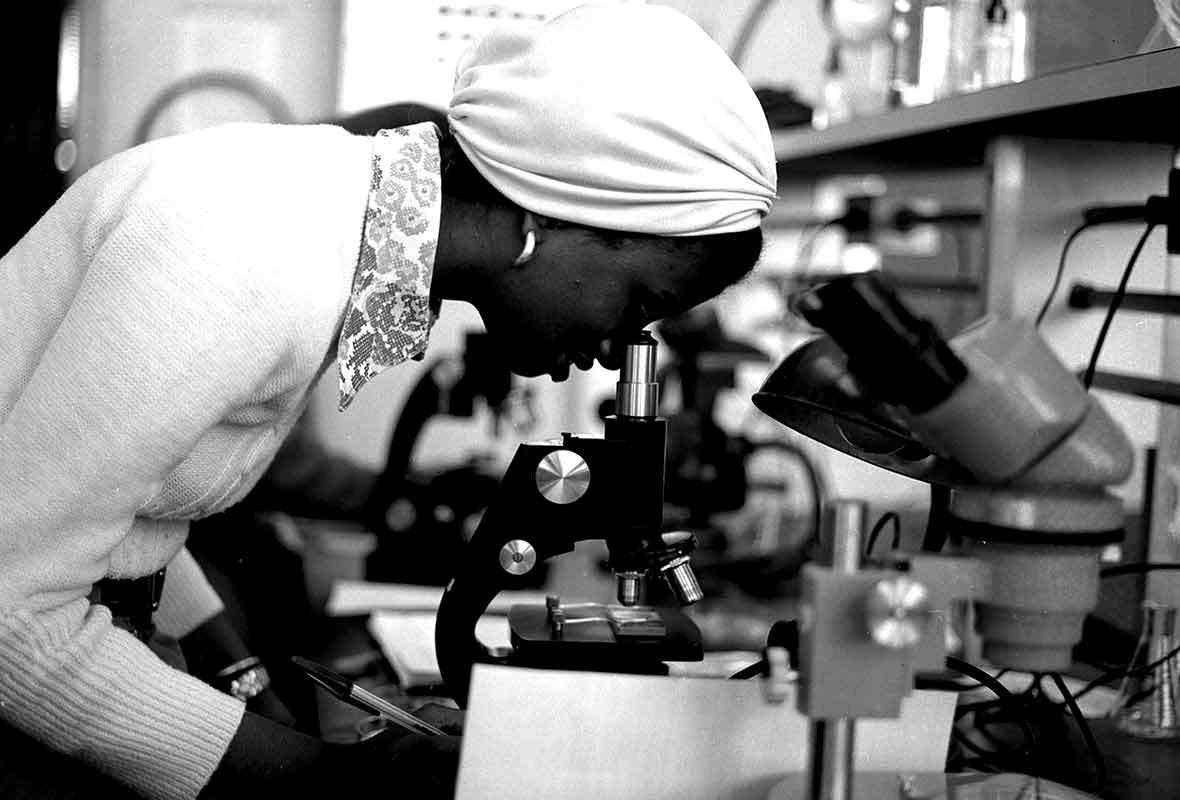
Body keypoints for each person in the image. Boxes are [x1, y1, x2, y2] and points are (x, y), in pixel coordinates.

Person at [0, 3, 777, 798]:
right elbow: (10, 616)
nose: (619, 349)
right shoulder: (246, 254)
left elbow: (121, 508)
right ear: (556, 209)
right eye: (638, 301)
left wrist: (227, 657)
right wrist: (337, 778)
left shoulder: (322, 225)